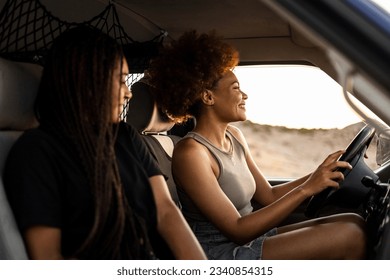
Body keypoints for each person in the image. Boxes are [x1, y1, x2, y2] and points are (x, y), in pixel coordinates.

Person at [147, 30, 367, 260]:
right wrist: (307, 188)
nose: (245, 95)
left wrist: (320, 173)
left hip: (252, 240)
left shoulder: (234, 136)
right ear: (208, 97)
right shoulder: (191, 153)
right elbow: (237, 230)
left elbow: (269, 196)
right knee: (351, 236)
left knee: (353, 221)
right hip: (218, 253)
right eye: (235, 88)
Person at [4, 26, 206, 260]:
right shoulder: (36, 152)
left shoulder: (126, 136)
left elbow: (165, 211)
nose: (128, 93)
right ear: (88, 81)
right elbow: (47, 257)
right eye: (121, 80)